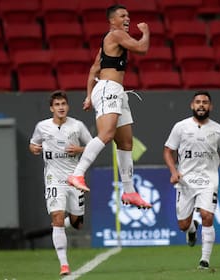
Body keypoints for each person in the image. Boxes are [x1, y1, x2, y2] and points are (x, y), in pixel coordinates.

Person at [67, 4, 152, 209]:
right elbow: (142, 48)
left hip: (114, 91)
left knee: (125, 143)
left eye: (128, 15)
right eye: (122, 15)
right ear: (112, 21)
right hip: (109, 89)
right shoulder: (116, 35)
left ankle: (130, 191)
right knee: (106, 134)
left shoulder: (109, 42)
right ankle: (78, 174)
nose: (127, 18)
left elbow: (94, 69)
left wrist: (89, 96)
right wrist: (146, 32)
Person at [163, 91, 220, 270]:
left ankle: (204, 261)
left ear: (210, 107)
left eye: (205, 102)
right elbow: (168, 151)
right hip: (185, 181)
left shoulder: (219, 130)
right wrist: (173, 171)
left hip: (209, 180)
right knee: (183, 225)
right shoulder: (181, 127)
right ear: (192, 105)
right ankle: (191, 229)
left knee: (207, 216)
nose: (201, 105)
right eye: (198, 102)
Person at [29, 90, 93, 276]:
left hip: (74, 179)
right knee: (57, 218)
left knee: (77, 223)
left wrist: (80, 148)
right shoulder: (42, 127)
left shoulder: (77, 126)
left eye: (63, 104)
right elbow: (33, 144)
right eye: (57, 105)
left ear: (68, 106)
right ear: (51, 108)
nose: (61, 107)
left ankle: (66, 223)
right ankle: (64, 265)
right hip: (53, 179)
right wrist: (34, 148)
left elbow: (93, 146)